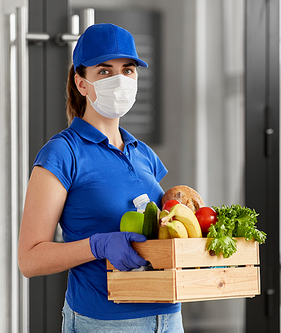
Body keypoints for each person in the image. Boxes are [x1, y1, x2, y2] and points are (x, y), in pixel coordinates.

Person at [18, 23, 184, 332]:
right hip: (105, 322)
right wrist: (97, 246)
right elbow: (30, 260)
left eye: (129, 70)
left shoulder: (142, 152)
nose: (120, 80)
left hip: (169, 317)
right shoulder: (62, 153)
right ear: (82, 84)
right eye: (105, 72)